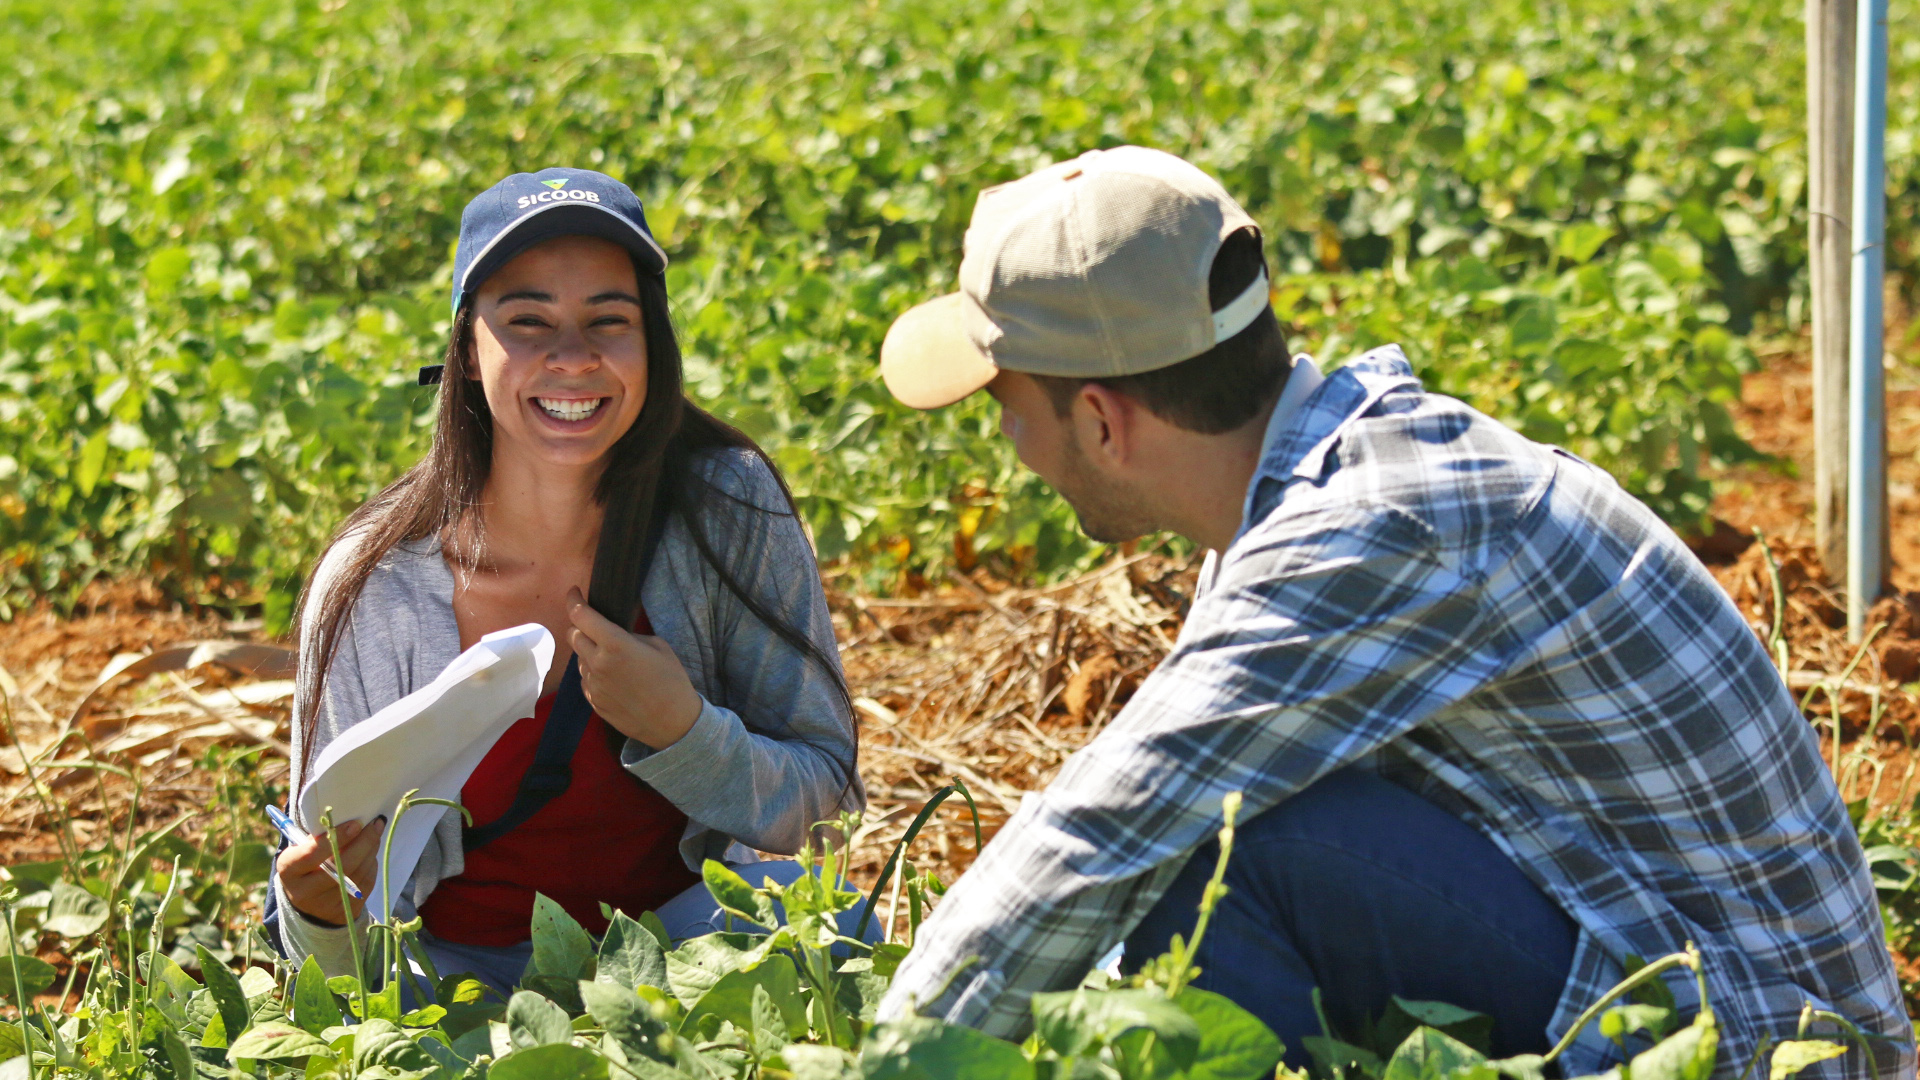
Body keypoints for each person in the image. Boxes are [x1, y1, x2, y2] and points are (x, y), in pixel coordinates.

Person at [870, 146, 1911, 1078]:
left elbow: (1106, 833)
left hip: (1765, 1049)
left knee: (1223, 856)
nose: (1007, 446)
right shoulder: (1328, 481)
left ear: (1100, 420)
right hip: (1692, 982)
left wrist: (896, 1061)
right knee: (1224, 834)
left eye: (1007, 409)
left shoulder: (1371, 531)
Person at [272, 168, 864, 995]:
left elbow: (825, 801)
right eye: (527, 321)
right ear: (467, 356)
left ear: (651, 345)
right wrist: (320, 915)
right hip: (459, 989)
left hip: (687, 957)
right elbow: (332, 959)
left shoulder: (726, 509)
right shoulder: (376, 585)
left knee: (845, 932)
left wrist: (686, 731)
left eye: (608, 322)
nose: (573, 358)